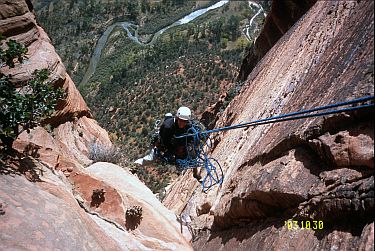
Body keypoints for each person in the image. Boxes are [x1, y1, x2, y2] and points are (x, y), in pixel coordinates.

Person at [134, 106, 201, 181]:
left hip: (179, 144)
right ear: (177, 118)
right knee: (151, 158)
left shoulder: (189, 126)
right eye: (180, 120)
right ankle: (135, 165)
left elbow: (191, 138)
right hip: (165, 144)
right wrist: (175, 150)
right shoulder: (168, 126)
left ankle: (195, 173)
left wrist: (186, 147)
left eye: (184, 121)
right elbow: (164, 142)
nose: (182, 123)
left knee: (193, 155)